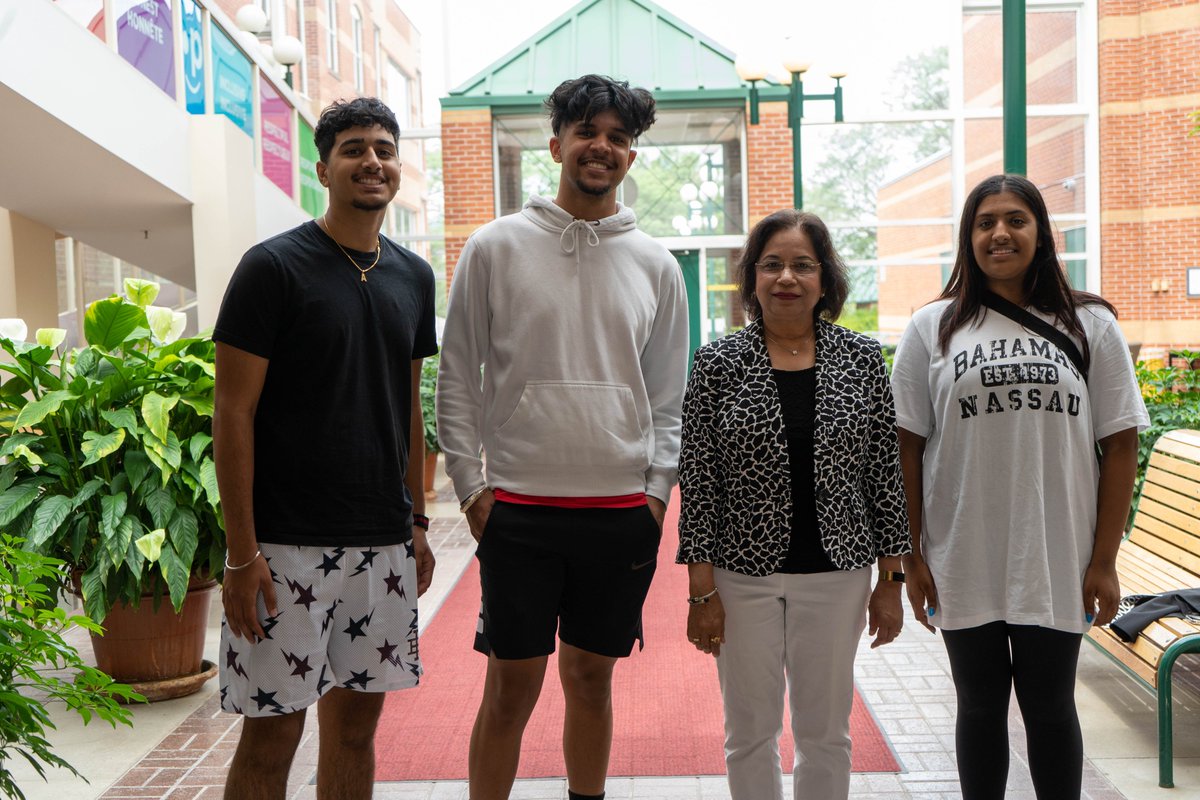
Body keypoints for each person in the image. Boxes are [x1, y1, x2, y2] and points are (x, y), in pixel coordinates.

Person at [436, 74, 689, 800]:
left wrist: (655, 495)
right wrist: (473, 492)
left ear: (631, 158)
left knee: (590, 680)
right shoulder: (494, 247)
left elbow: (669, 397)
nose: (601, 147)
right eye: (587, 132)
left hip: (619, 513)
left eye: (618, 137)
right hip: (518, 507)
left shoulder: (657, 265)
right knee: (511, 686)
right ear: (557, 144)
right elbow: (459, 378)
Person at [890, 174, 1149, 800]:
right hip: (963, 553)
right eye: (985, 223)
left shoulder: (1091, 325)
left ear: (1041, 235)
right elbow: (906, 449)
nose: (999, 233)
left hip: (1056, 552)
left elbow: (1120, 446)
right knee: (978, 707)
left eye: (1015, 220)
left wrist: (1105, 561)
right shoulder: (932, 327)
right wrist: (911, 557)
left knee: (1051, 706)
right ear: (967, 238)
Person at [212, 97, 438, 799]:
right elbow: (232, 412)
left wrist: (419, 522)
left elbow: (405, 410)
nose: (372, 161)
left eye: (383, 148)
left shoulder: (413, 275)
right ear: (324, 167)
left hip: (380, 544)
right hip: (285, 549)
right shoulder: (273, 267)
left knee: (354, 733)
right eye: (353, 148)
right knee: (272, 734)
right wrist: (242, 553)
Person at [676, 209, 911, 800]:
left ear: (825, 278)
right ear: (752, 278)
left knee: (825, 732)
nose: (787, 277)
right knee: (750, 732)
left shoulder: (861, 360)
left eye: (803, 265)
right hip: (741, 576)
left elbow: (884, 475)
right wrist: (701, 592)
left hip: (837, 576)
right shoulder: (717, 364)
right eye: (773, 264)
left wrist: (892, 579)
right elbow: (699, 484)